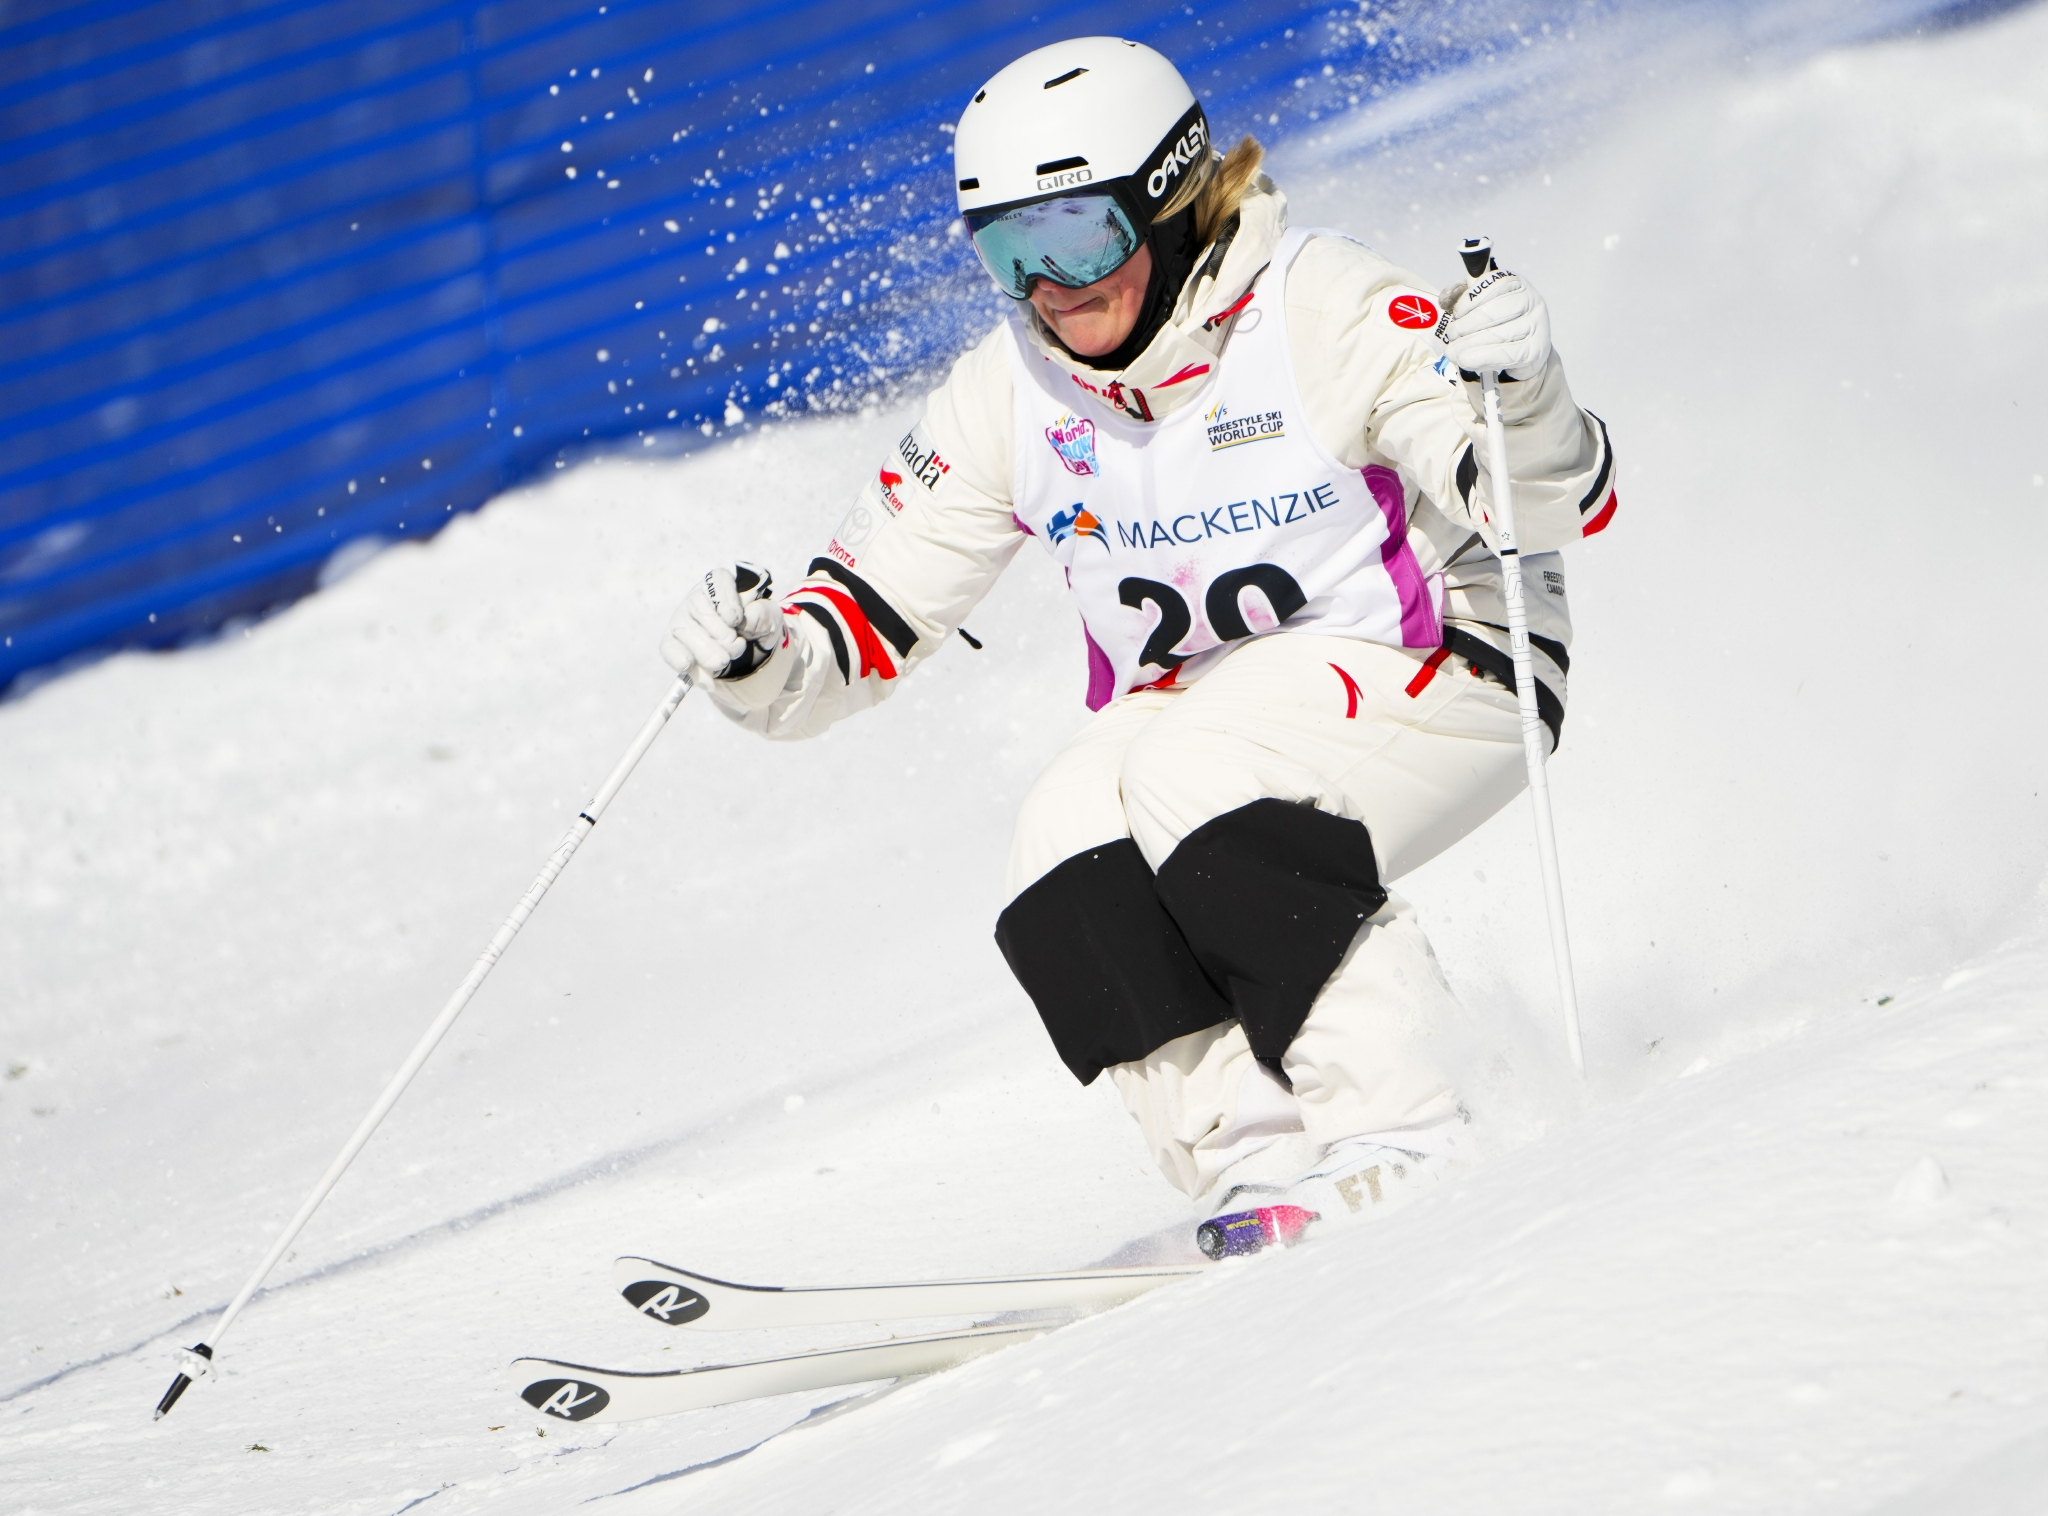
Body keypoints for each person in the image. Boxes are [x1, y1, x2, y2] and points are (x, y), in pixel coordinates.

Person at [660, 37, 1617, 1260]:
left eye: (1075, 236)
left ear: (1170, 206)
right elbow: (856, 624)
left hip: (1449, 659)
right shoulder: (1011, 391)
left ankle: (1409, 1122)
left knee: (1197, 770)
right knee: (1064, 823)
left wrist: (1524, 394)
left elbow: (1544, 509)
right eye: (1010, 251)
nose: (1050, 288)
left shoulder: (1322, 309)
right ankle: (1259, 1155)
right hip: (1224, 715)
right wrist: (763, 659)